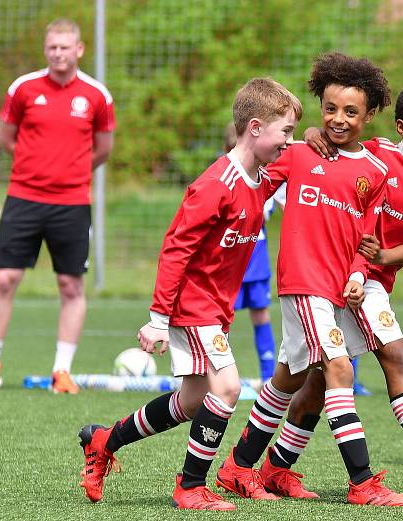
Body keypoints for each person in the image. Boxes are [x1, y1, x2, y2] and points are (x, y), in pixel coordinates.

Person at [78, 78, 302, 510]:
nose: (288, 142)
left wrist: (315, 141)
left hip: (214, 308)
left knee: (193, 400)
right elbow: (175, 248)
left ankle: (105, 441)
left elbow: (291, 168)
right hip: (192, 305)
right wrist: (159, 317)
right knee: (229, 387)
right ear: (254, 127)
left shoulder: (258, 179)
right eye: (285, 132)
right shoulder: (216, 184)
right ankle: (191, 486)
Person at [263, 83, 403, 503]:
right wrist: (313, 134)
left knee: (314, 382)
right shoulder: (378, 153)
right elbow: (336, 142)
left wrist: (385, 255)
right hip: (339, 275)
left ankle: (273, 468)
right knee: (393, 360)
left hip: (371, 279)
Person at [215, 52, 403, 507]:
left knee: (288, 378)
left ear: (369, 115)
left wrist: (361, 274)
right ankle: (363, 484)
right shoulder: (298, 154)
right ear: (319, 105)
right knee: (340, 370)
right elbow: (248, 178)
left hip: (338, 288)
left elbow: (368, 239)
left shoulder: (375, 171)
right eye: (329, 109)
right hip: (304, 284)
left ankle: (237, 468)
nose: (337, 120)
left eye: (350, 112)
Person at [0, 19, 115, 394]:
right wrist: (36, 167)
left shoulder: (97, 95)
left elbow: (104, 149)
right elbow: (6, 138)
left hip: (73, 203)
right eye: (52, 47)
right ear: (46, 50)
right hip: (23, 198)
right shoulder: (23, 88)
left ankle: (61, 372)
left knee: (70, 285)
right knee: (4, 279)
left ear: (79, 49)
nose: (58, 53)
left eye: (65, 47)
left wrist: (71, 171)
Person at [224, 123, 278, 388]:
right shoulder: (225, 181)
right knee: (223, 318)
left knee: (261, 314)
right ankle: (220, 375)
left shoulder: (266, 182)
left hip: (257, 264)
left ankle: (269, 375)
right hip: (230, 265)